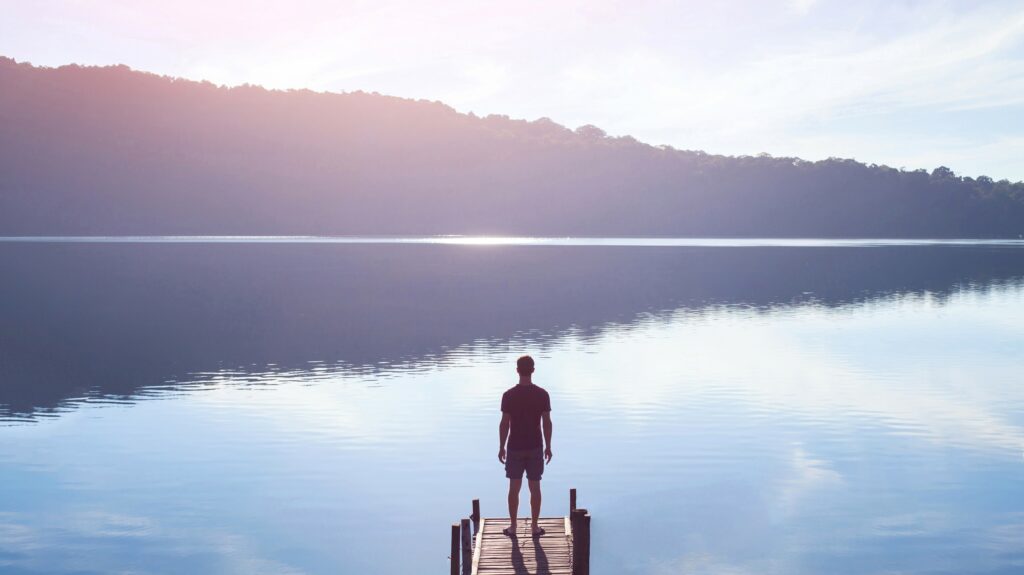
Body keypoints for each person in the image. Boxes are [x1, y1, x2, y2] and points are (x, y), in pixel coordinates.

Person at [498, 355, 553, 537]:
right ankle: (534, 527)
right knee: (535, 487)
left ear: (517, 370)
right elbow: (547, 422)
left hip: (514, 447)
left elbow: (504, 423)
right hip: (536, 446)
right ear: (533, 370)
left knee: (514, 488)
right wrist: (548, 446)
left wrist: (501, 446)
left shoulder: (508, 396)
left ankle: (513, 526)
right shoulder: (542, 395)